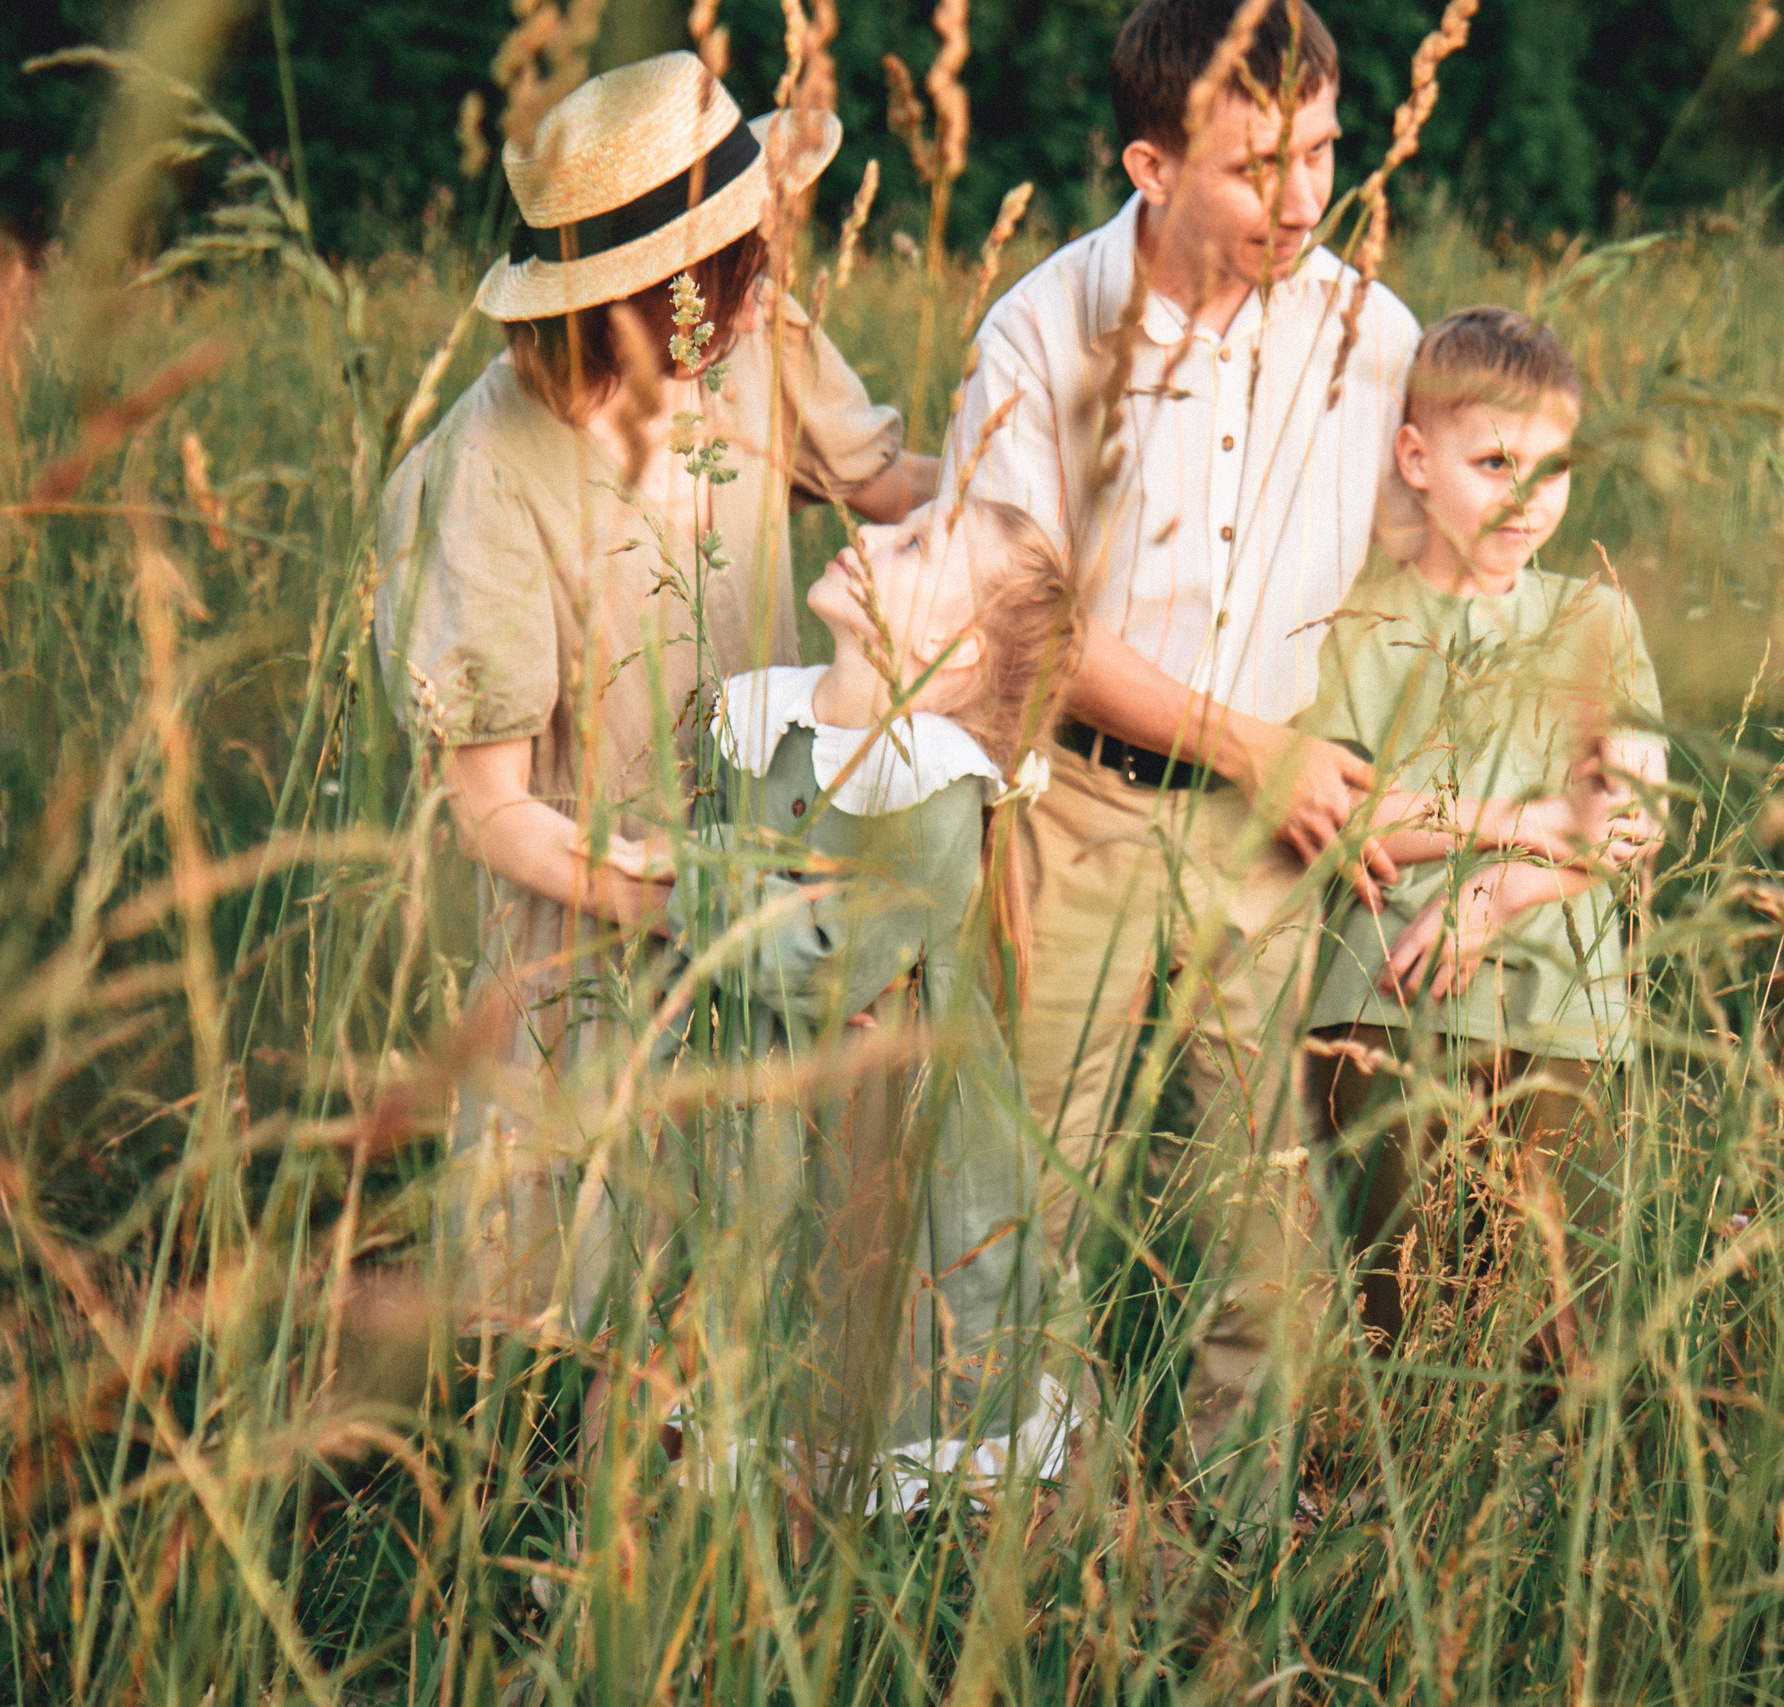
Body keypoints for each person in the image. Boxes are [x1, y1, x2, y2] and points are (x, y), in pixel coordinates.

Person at [373, 51, 939, 1337]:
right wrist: (682, 892)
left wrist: (1050, 498)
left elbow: (887, 486)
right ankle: (536, 1483)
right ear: (625, 302)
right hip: (590, 912)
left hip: (786, 861)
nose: (756, 297)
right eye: (732, 271)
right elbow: (492, 809)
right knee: (576, 1276)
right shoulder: (486, 467)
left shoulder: (748, 338)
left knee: (771, 1242)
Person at [937, 0, 1422, 1446]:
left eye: (1324, 152)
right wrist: (1240, 741)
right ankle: (1029, 1530)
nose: (1301, 199)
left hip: (1277, 837)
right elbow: (1021, 613)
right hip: (1069, 807)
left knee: (1267, 1230)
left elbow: (1415, 583)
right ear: (1150, 167)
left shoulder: (1372, 333)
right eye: (1252, 167)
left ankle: (1234, 1568)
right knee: (1017, 1203)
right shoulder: (1038, 327)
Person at [662, 498, 1082, 1505]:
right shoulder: (760, 719)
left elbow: (825, 965)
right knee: (750, 1247)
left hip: (879, 1120)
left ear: (951, 649)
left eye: (914, 544)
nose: (869, 535)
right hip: (754, 1085)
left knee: (869, 1292)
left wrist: (699, 881)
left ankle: (875, 1516)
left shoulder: (930, 781)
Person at [1295, 306, 1668, 1373]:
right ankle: (1380, 1510)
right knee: (1396, 1300)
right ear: (1416, 456)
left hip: (1559, 1005)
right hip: (1387, 998)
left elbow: (1634, 814)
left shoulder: (1594, 619)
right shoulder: (1362, 618)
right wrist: (1540, 820)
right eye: (1493, 460)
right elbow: (1345, 818)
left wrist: (1495, 890)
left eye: (1551, 468)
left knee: (1553, 1305)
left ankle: (1541, 1511)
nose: (1524, 497)